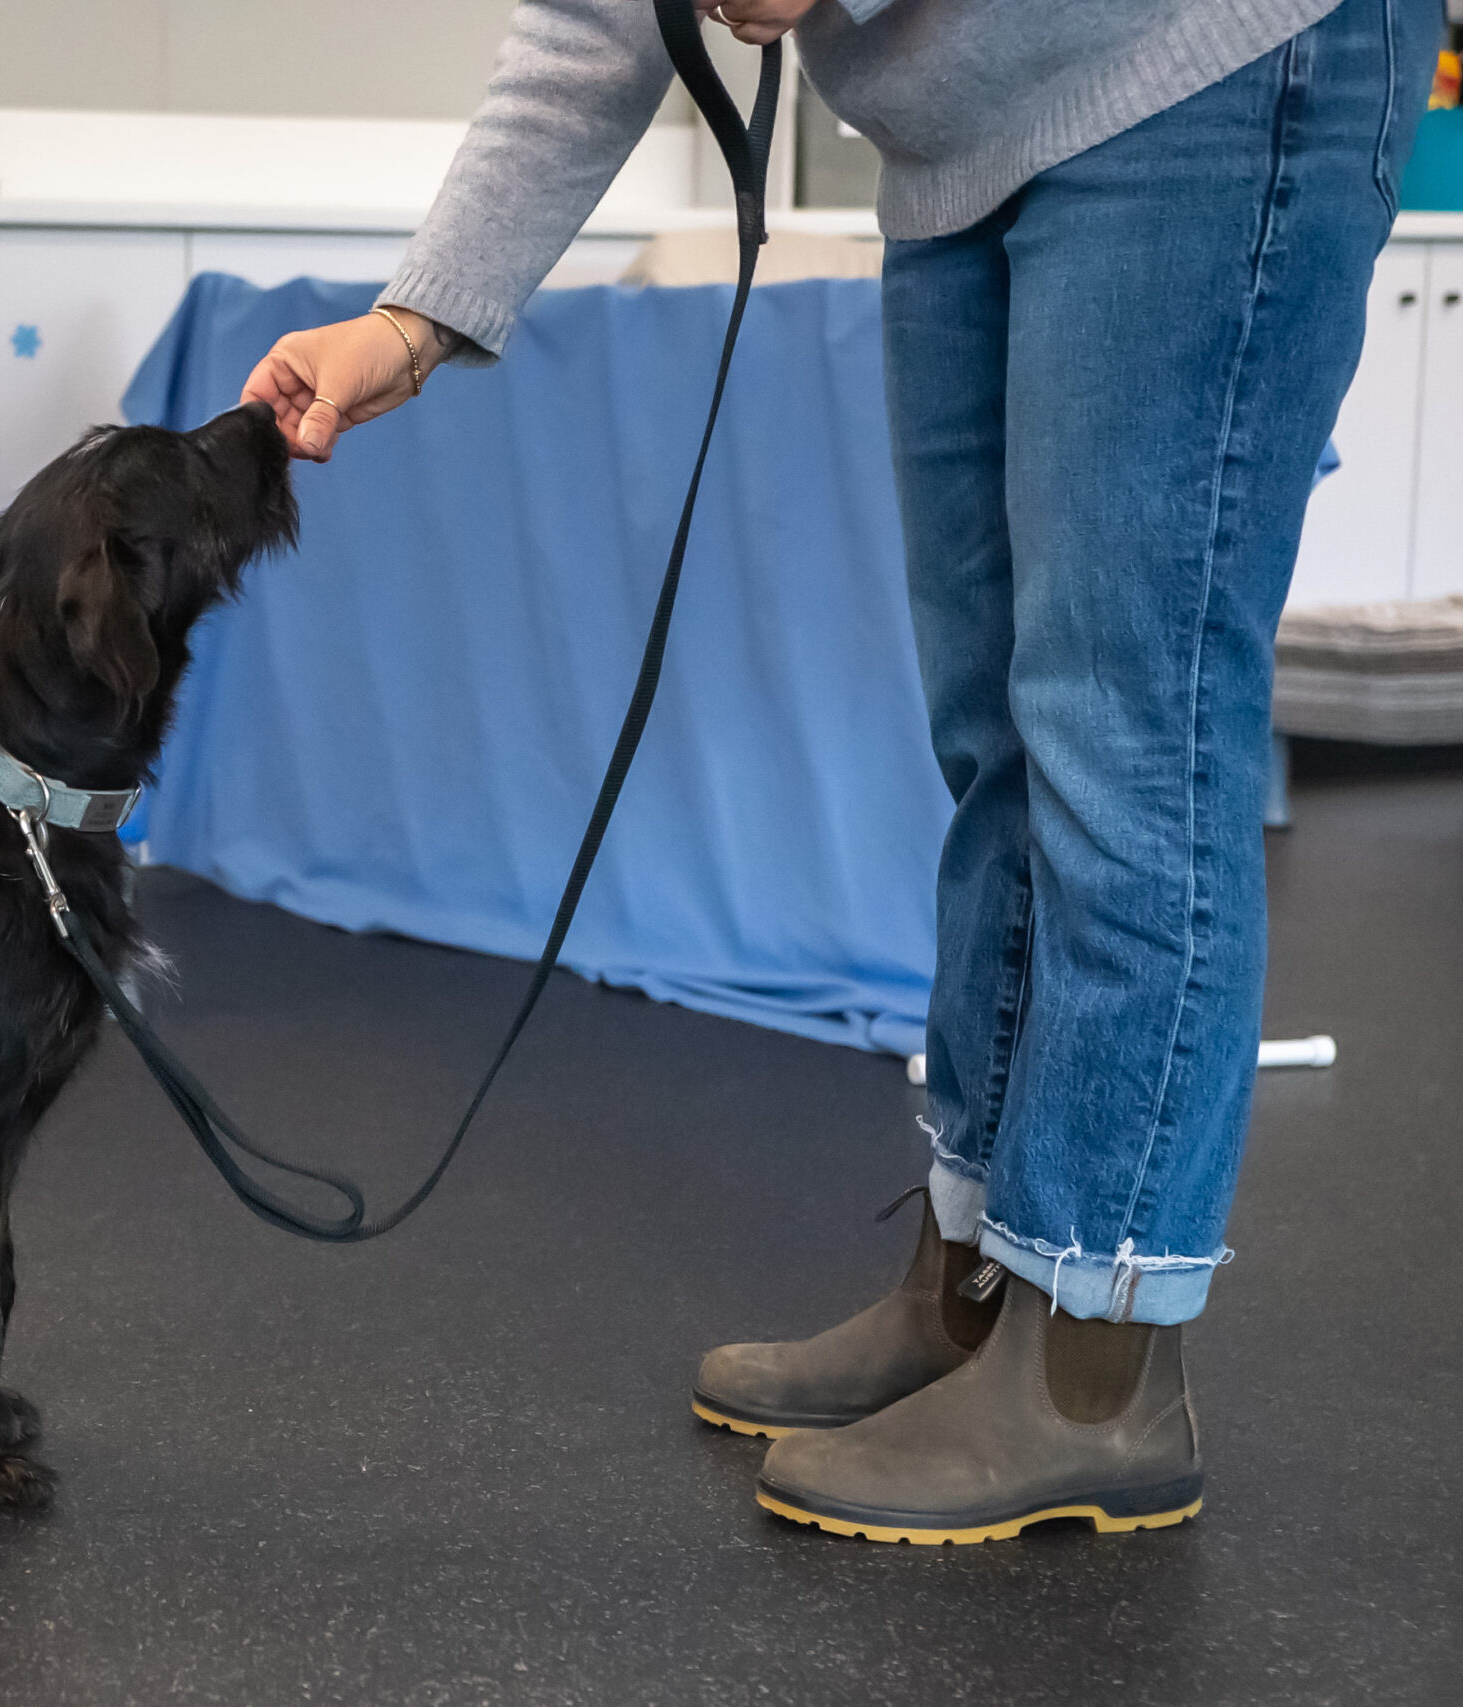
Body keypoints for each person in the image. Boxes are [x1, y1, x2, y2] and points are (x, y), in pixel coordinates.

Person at [242, 0, 1438, 1543]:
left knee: (1130, 724)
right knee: (995, 732)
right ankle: (974, 1284)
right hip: (964, 138)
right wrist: (414, 318)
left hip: (1203, 57)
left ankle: (1099, 1364)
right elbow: (601, 17)